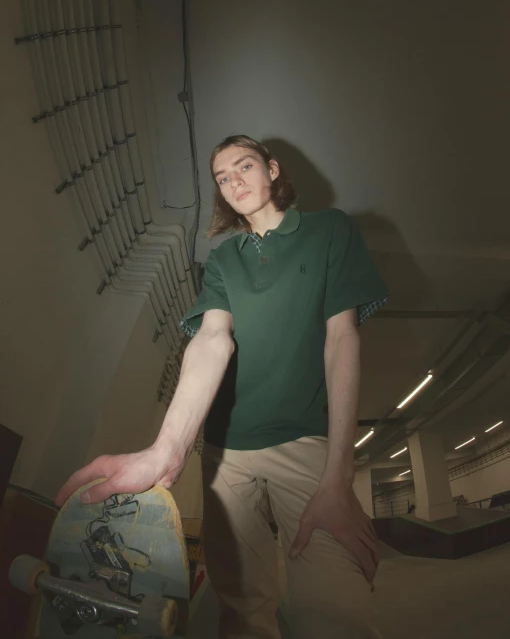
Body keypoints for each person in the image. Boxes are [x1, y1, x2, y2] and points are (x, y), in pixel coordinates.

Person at [57, 135, 389, 639]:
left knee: (337, 609)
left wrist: (338, 478)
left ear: (272, 170)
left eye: (245, 166)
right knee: (241, 610)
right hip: (225, 455)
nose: (234, 181)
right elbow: (213, 339)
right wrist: (165, 451)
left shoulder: (328, 230)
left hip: (303, 444)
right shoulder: (223, 260)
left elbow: (342, 338)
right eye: (222, 177)